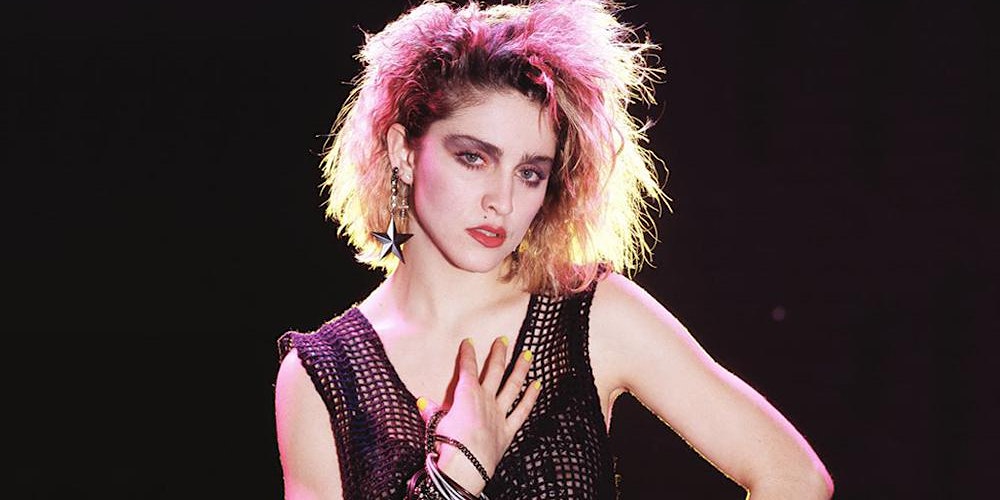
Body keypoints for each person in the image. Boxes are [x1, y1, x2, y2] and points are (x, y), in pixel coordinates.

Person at [274, 0, 834, 498]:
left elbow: (795, 478)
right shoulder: (323, 375)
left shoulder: (590, 314)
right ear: (404, 152)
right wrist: (455, 477)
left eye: (530, 173)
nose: (502, 201)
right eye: (474, 157)